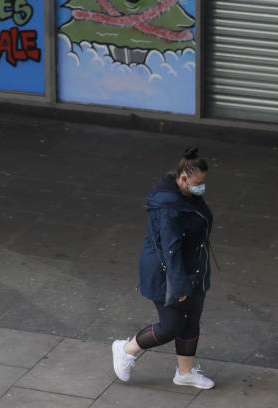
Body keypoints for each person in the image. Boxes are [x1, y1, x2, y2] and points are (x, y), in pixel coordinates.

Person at [111, 147, 215, 389]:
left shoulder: (188, 196)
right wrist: (179, 285)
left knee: (191, 321)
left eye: (204, 182)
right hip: (166, 272)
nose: (202, 187)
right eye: (198, 183)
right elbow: (172, 249)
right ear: (183, 179)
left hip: (192, 269)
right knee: (171, 326)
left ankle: (185, 373)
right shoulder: (169, 208)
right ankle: (127, 350)